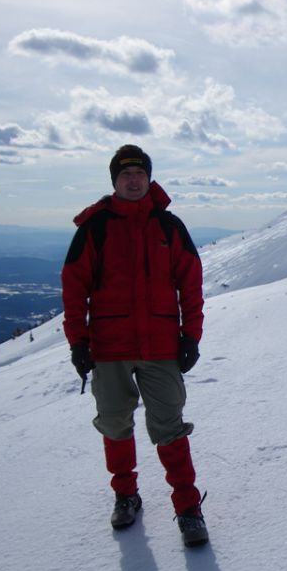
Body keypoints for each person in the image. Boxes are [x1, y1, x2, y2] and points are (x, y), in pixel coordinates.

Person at [61, 144, 208, 545]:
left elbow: (190, 284)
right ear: (114, 181)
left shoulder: (169, 227)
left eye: (139, 173)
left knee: (170, 428)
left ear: (149, 178)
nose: (133, 180)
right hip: (109, 348)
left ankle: (188, 507)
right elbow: (74, 288)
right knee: (115, 424)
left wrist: (190, 335)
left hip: (160, 346)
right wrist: (79, 342)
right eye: (125, 175)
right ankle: (126, 495)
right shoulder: (96, 227)